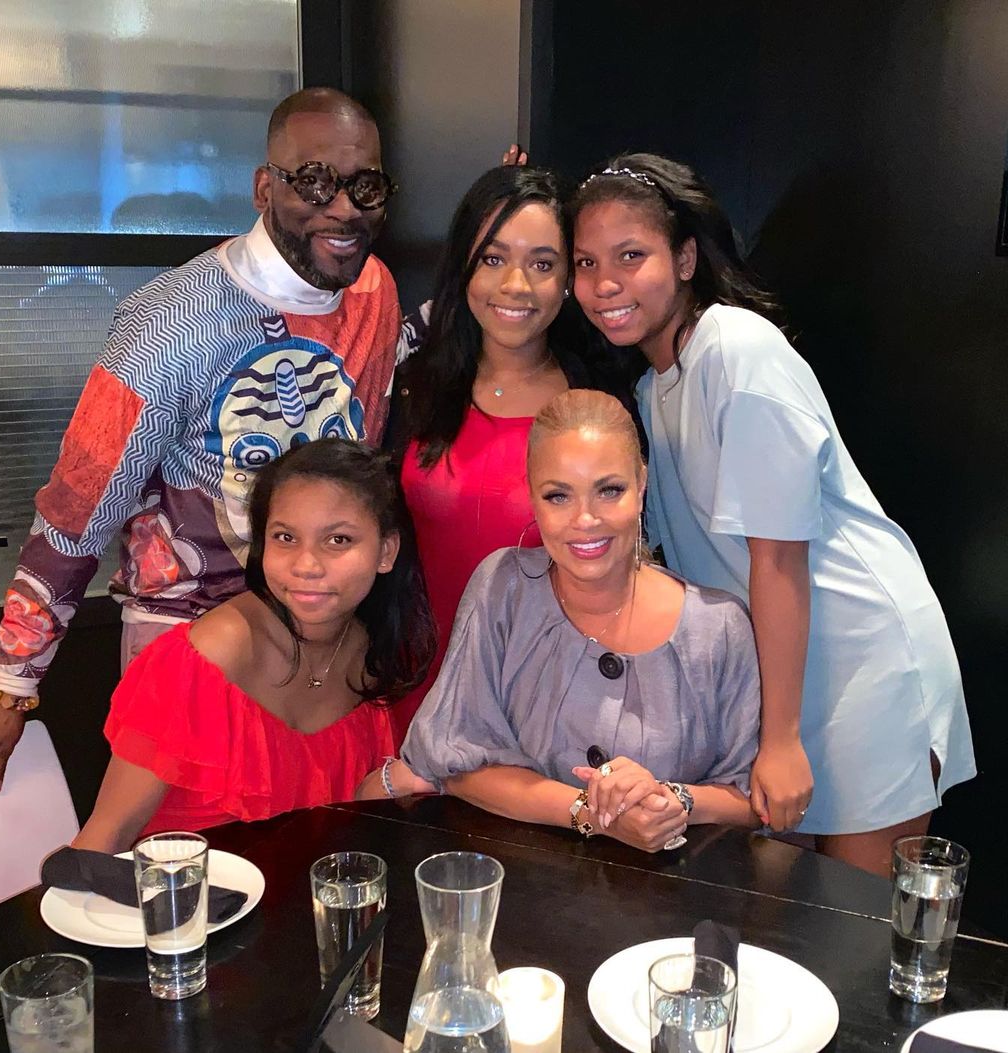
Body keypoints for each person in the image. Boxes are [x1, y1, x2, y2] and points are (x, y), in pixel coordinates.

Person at [0, 88, 403, 791]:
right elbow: (79, 507)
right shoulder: (172, 321)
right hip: (190, 649)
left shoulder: (374, 292)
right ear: (263, 187)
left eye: (363, 186)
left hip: (325, 652)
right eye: (314, 182)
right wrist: (9, 684)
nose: (342, 208)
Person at [569, 152, 975, 875]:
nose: (605, 284)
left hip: (859, 664)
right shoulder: (651, 391)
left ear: (686, 256)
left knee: (850, 922)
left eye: (632, 256)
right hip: (781, 677)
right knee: (782, 926)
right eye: (586, 262)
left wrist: (779, 737)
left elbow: (778, 557)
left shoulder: (738, 349)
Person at [381, 390, 761, 852]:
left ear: (641, 485)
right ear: (532, 495)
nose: (585, 519)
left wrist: (671, 800)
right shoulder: (502, 587)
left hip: (675, 906)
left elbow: (748, 801)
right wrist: (592, 813)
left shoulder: (719, 626)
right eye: (558, 495)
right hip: (517, 888)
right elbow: (457, 764)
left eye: (609, 490)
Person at [73, 439, 435, 853]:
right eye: (285, 537)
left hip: (307, 903)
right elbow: (106, 836)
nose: (306, 566)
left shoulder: (373, 654)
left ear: (386, 551)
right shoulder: (208, 656)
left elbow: (348, 822)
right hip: (186, 906)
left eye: (338, 541)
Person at [388, 165, 615, 740]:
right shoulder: (415, 382)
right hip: (415, 678)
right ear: (463, 262)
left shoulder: (600, 399)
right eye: (492, 258)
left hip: (553, 694)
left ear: (569, 277)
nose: (516, 285)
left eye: (542, 264)